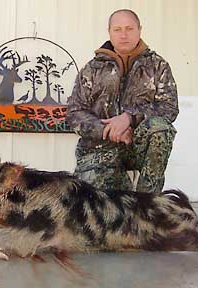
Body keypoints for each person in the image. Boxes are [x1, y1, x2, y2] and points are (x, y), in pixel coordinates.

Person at [66, 9, 178, 193]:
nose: (124, 34)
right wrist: (107, 130)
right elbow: (75, 112)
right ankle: (121, 186)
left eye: (129, 28)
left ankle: (147, 203)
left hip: (138, 147)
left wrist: (129, 118)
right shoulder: (92, 69)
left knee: (160, 128)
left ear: (139, 30)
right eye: (117, 29)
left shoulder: (158, 66)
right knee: (94, 204)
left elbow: (169, 107)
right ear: (109, 32)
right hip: (100, 147)